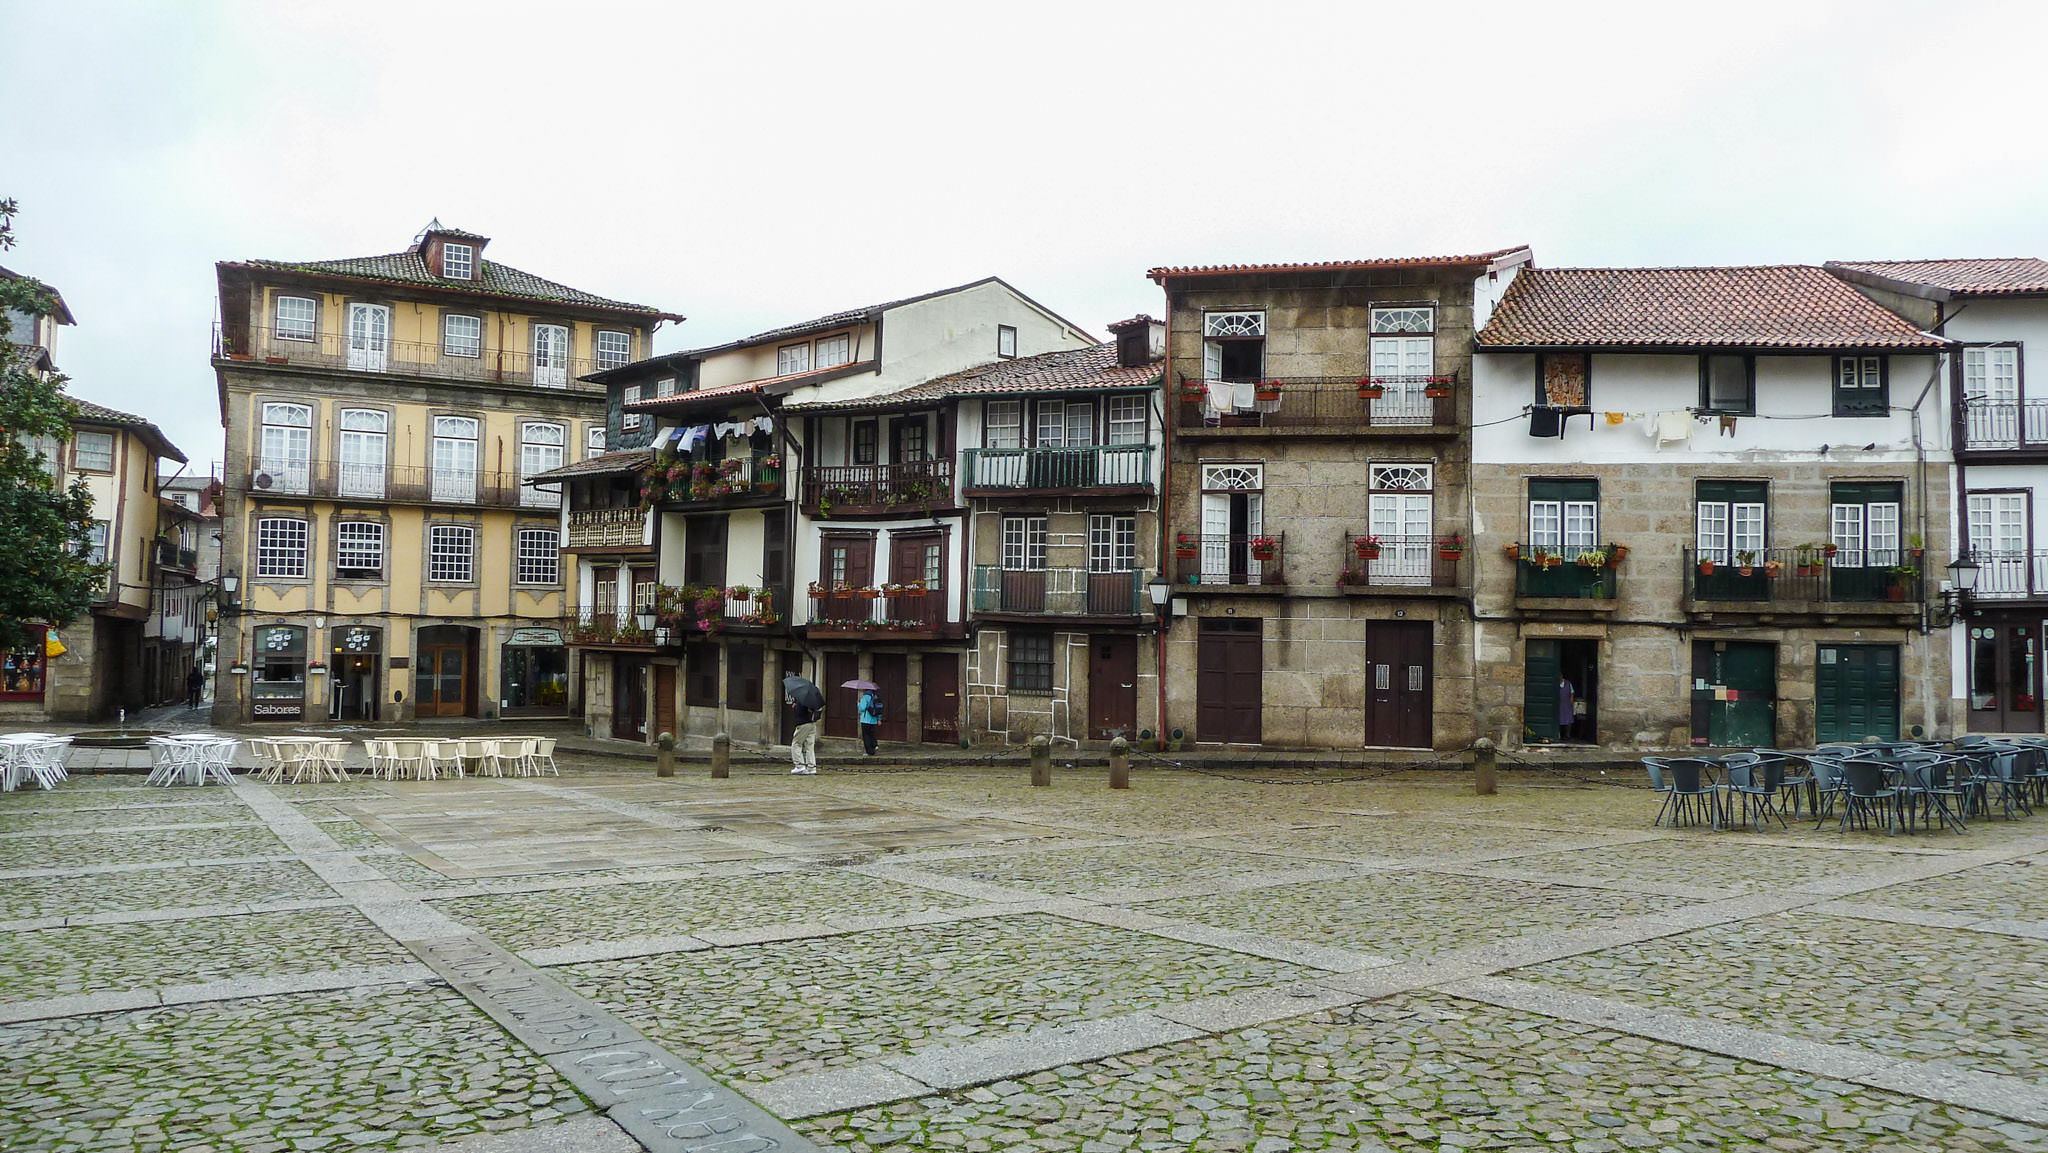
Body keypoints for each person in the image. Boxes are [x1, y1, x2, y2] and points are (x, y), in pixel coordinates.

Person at [788, 695, 820, 774]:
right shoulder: (812, 698)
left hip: (803, 723)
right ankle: (811, 767)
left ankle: (799, 766)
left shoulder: (802, 699)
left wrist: (795, 706)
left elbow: (800, 711)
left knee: (796, 743)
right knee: (809, 745)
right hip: (812, 723)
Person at [858, 688, 882, 756]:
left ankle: (869, 751)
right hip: (873, 720)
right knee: (871, 734)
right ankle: (874, 746)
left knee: (866, 736)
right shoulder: (875, 696)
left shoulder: (865, 697)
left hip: (865, 720)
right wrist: (879, 719)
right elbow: (878, 708)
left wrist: (858, 703)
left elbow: (862, 708)